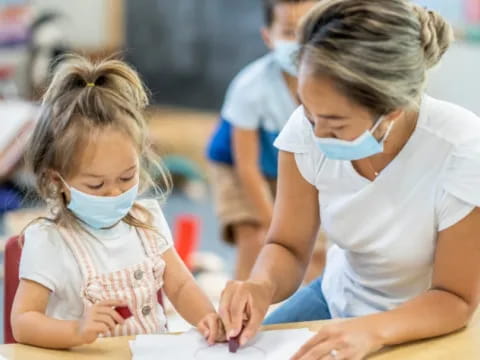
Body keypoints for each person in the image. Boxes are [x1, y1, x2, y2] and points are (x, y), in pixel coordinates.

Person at [219, 1, 480, 359]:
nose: (317, 133)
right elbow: (288, 246)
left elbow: (456, 298)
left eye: (336, 125)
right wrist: (261, 285)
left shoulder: (462, 149)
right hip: (337, 294)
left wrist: (372, 330)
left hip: (426, 318)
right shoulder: (306, 128)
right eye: (309, 113)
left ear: (392, 111)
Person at [11, 55, 225, 349]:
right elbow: (23, 322)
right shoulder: (49, 240)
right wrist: (76, 330)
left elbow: (181, 284)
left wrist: (207, 317)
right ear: (57, 180)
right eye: (96, 185)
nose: (115, 193)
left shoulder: (146, 218)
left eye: (127, 178)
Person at [206, 0, 318, 280]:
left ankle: (307, 313)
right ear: (268, 37)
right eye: (290, 32)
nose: (301, 43)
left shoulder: (331, 83)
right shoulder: (251, 86)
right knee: (256, 237)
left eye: (310, 31)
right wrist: (273, 225)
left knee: (317, 248)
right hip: (237, 167)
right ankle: (240, 302)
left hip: (287, 165)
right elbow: (247, 168)